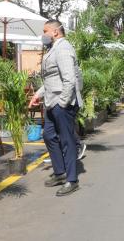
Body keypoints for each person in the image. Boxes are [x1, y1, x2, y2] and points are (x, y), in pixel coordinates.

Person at [29, 19, 83, 196]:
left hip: (62, 103)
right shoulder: (53, 49)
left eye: (45, 31)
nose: (43, 35)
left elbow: (69, 79)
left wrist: (63, 102)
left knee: (66, 140)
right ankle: (60, 172)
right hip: (52, 101)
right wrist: (38, 95)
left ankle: (71, 180)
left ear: (55, 32)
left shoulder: (63, 48)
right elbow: (51, 79)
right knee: (49, 135)